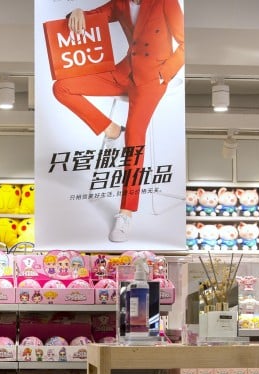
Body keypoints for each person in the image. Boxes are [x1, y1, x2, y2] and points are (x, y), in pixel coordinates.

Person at [52, 0, 185, 242]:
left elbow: (186, 42)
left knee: (134, 139)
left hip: (151, 80)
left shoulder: (165, 1)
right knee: (62, 87)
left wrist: (163, 74)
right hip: (124, 72)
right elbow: (93, 16)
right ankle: (109, 127)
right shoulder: (120, 3)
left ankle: (125, 213)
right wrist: (78, 12)